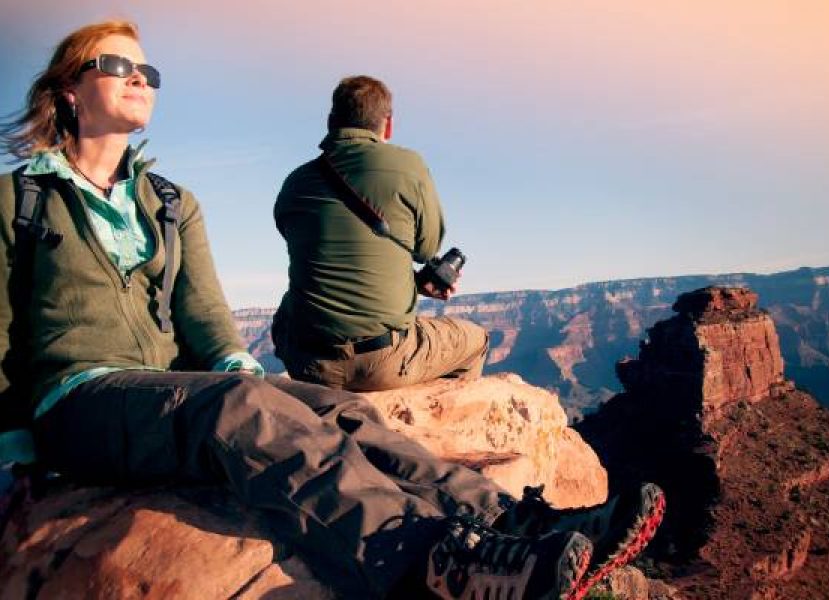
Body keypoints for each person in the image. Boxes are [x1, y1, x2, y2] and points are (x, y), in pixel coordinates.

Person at [0, 21, 665, 599]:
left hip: (165, 394)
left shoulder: (172, 203)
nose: (138, 77)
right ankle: (430, 563)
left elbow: (205, 318)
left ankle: (510, 520)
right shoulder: (19, 199)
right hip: (78, 400)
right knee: (242, 409)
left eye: (147, 69)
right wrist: (13, 459)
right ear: (67, 88)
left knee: (331, 408)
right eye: (115, 65)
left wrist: (258, 377)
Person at [271, 76, 490, 392]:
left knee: (292, 300)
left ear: (331, 122)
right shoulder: (408, 165)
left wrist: (410, 286)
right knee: (476, 340)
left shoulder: (295, 183)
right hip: (384, 361)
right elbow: (427, 249)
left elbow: (321, 254)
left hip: (309, 364)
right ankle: (423, 427)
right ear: (388, 125)